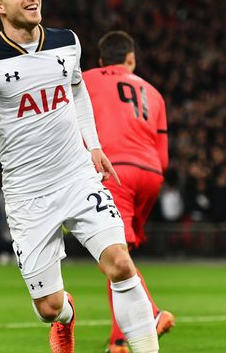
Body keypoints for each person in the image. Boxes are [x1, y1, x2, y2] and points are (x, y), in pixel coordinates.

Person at [0, 0, 159, 353]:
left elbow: (77, 90)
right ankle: (66, 316)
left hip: (76, 176)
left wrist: (94, 147)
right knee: (48, 306)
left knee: (121, 265)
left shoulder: (66, 42)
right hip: (28, 196)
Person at [83, 31, 174, 353]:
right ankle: (119, 340)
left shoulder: (86, 80)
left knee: (113, 256)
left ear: (100, 61)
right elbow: (163, 154)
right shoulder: (155, 93)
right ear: (131, 60)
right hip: (151, 174)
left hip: (113, 170)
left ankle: (151, 313)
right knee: (120, 256)